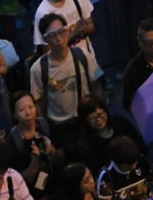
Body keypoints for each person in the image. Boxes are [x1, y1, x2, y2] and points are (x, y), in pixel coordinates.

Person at [29, 13, 104, 146]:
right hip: (59, 127)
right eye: (52, 35)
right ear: (45, 39)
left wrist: (100, 112)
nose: (59, 39)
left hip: (86, 120)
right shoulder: (38, 68)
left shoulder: (82, 55)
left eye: (62, 32)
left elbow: (97, 85)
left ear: (68, 30)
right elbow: (38, 102)